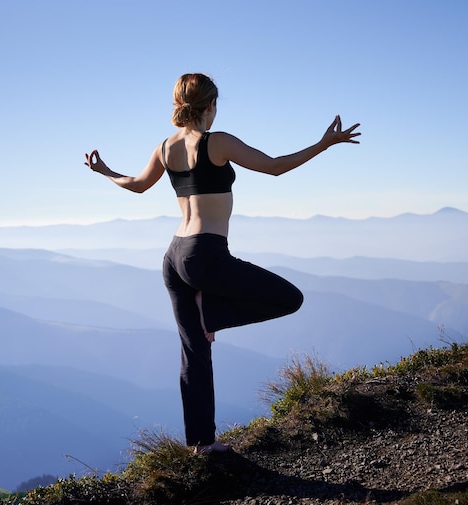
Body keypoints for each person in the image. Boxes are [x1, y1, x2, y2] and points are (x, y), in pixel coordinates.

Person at [84, 73, 361, 454]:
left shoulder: (166, 147)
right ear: (210, 106)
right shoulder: (218, 142)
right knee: (288, 298)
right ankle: (210, 312)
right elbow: (275, 166)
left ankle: (202, 445)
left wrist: (104, 172)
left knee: (194, 353)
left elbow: (136, 184)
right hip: (205, 255)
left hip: (174, 256)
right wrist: (324, 144)